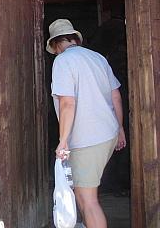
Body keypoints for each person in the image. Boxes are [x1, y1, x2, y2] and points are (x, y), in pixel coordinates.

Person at [46, 18, 127, 228]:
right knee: (86, 195)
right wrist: (120, 129)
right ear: (74, 39)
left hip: (87, 140)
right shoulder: (97, 57)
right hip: (107, 134)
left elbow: (67, 104)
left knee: (87, 201)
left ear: (56, 45)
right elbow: (116, 96)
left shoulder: (62, 61)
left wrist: (63, 142)